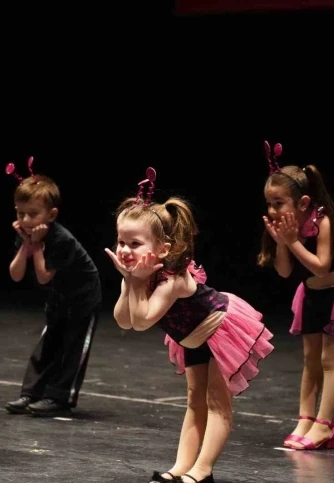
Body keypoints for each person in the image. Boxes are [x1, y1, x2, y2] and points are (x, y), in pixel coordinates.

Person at [106, 167, 274, 483]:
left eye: (135, 243)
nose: (126, 250)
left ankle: (202, 470)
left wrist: (135, 281)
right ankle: (181, 467)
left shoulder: (173, 278)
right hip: (192, 339)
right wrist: (129, 281)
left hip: (220, 329)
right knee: (194, 400)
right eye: (121, 242)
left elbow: (142, 322)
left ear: (162, 249)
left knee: (215, 401)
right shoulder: (139, 274)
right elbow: (123, 320)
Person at [257, 140, 334, 450]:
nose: (272, 210)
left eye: (279, 202)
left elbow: (322, 267)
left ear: (303, 201)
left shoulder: (324, 221)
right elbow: (285, 272)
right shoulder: (285, 226)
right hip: (310, 296)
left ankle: (325, 425)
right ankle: (305, 420)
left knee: (329, 360)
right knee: (310, 360)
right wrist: (283, 243)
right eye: (269, 203)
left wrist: (292, 241)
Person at [3, 157, 102, 417]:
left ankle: (59, 397)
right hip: (59, 298)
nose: (25, 219)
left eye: (32, 214)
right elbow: (15, 274)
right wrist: (26, 244)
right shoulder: (28, 234)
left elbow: (44, 276)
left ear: (52, 214)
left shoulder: (61, 239)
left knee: (71, 347)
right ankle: (31, 393)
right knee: (47, 345)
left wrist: (34, 246)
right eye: (20, 213)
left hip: (83, 298)